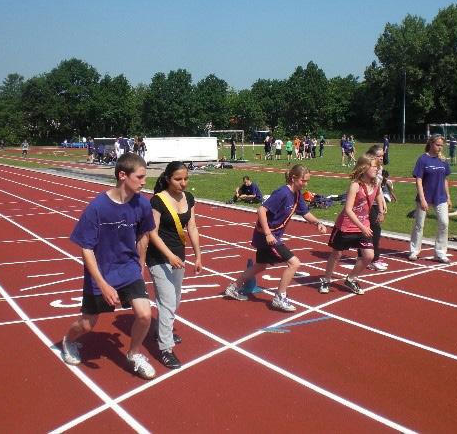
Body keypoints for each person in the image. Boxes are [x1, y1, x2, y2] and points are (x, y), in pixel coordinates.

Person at [61, 153, 157, 380]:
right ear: (123, 175)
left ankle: (133, 354)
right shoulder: (97, 208)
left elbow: (144, 235)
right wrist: (102, 284)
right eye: (140, 176)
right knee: (87, 324)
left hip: (128, 268)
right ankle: (68, 340)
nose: (144, 182)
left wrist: (140, 265)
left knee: (145, 315)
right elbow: (86, 248)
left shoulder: (142, 203)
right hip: (101, 272)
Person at [223, 165, 327, 311]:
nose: (306, 184)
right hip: (267, 236)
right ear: (294, 178)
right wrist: (268, 234)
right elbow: (261, 210)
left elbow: (305, 213)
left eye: (307, 181)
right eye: (303, 181)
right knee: (294, 263)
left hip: (272, 235)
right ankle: (279, 297)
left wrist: (318, 223)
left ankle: (233, 288)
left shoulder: (297, 194)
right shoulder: (283, 193)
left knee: (261, 265)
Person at [147, 162, 202, 369]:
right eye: (178, 179)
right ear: (168, 178)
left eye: (186, 179)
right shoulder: (158, 201)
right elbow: (152, 233)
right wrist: (169, 255)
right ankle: (166, 349)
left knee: (175, 299)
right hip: (159, 256)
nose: (183, 183)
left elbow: (193, 227)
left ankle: (163, 330)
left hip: (179, 257)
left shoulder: (188, 198)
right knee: (168, 300)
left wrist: (198, 256)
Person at [319, 156, 379, 294]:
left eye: (377, 166)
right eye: (374, 166)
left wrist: (381, 209)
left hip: (364, 225)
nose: (377, 169)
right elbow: (348, 209)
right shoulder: (355, 185)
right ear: (364, 168)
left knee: (369, 256)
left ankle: (351, 278)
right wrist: (362, 227)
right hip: (346, 226)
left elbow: (378, 195)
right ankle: (326, 280)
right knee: (336, 254)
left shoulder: (376, 184)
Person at [408, 134, 452, 263]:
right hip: (425, 196)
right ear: (431, 144)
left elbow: (445, 180)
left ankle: (440, 252)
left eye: (442, 146)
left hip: (440, 197)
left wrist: (448, 197)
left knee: (444, 223)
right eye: (438, 145)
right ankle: (414, 250)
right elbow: (419, 180)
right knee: (419, 225)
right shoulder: (422, 159)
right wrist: (422, 198)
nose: (440, 148)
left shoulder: (443, 160)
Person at [364, 145, 388, 272]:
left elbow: (378, 190)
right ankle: (370, 259)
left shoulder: (380, 169)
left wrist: (382, 204)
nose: (381, 158)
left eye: (382, 155)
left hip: (375, 202)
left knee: (375, 230)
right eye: (378, 156)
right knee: (372, 231)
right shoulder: (368, 169)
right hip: (367, 204)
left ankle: (373, 258)